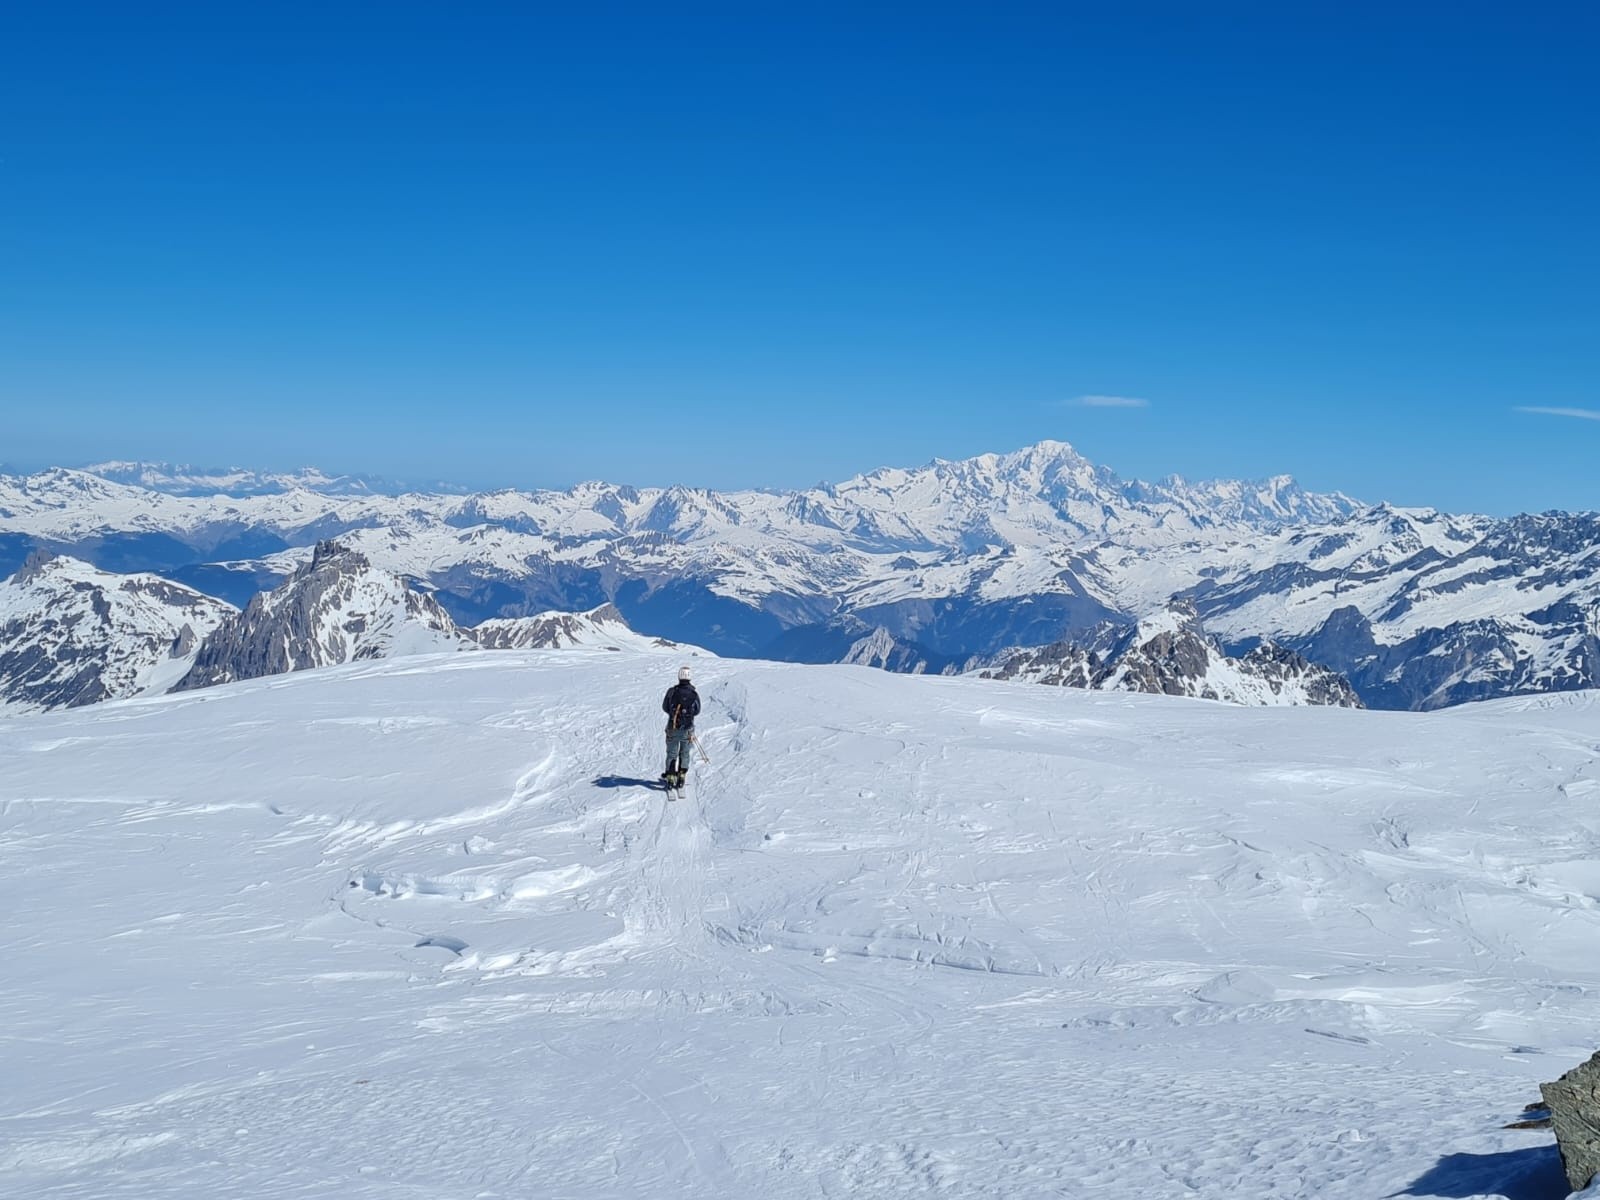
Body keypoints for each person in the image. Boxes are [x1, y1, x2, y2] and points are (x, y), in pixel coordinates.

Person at [660, 665, 700, 790]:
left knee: (672, 753)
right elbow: (697, 710)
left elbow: (665, 707)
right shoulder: (694, 693)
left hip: (673, 727)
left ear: (679, 676)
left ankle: (671, 777)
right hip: (687, 729)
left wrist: (674, 715)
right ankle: (681, 776)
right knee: (685, 753)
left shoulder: (672, 691)